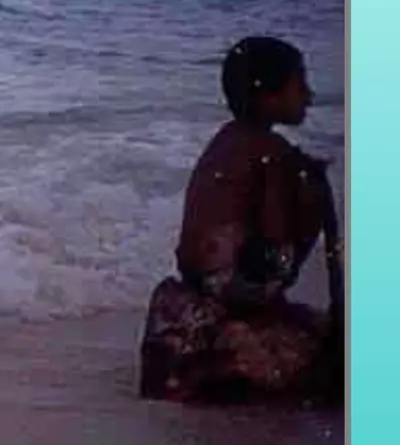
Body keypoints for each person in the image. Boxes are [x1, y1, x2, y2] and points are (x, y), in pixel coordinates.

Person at [138, 37, 343, 403]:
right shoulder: (273, 154)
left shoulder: (226, 141)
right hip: (237, 293)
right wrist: (313, 202)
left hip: (202, 286)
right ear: (268, 96)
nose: (310, 96)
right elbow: (275, 255)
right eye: (300, 85)